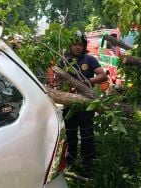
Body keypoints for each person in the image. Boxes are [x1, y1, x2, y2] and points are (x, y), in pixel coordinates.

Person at [60, 31, 107, 173]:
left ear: (84, 45)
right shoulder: (63, 61)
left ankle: (89, 164)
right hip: (69, 105)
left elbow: (103, 76)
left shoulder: (90, 60)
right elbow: (58, 80)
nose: (78, 47)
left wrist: (87, 82)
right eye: (75, 44)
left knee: (87, 135)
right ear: (70, 46)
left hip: (86, 104)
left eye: (80, 44)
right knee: (70, 135)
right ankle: (71, 163)